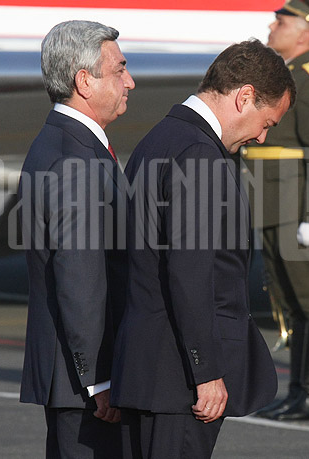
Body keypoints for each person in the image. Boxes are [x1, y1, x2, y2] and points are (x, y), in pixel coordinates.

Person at [110, 39, 295, 458]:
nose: (262, 137)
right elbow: (190, 273)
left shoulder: (161, 138)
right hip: (178, 382)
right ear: (244, 96)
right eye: (266, 122)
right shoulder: (199, 154)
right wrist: (205, 372)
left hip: (148, 370)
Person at [18, 20, 134, 458]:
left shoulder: (66, 144)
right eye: (120, 70)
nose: (130, 81)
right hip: (84, 387)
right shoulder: (75, 159)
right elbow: (80, 277)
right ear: (84, 81)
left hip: (74, 380)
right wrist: (100, 378)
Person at [241, 0, 309, 422]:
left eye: (279, 23)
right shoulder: (284, 77)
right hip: (271, 206)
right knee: (292, 305)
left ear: (303, 32)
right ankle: (300, 392)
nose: (270, 28)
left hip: (298, 210)